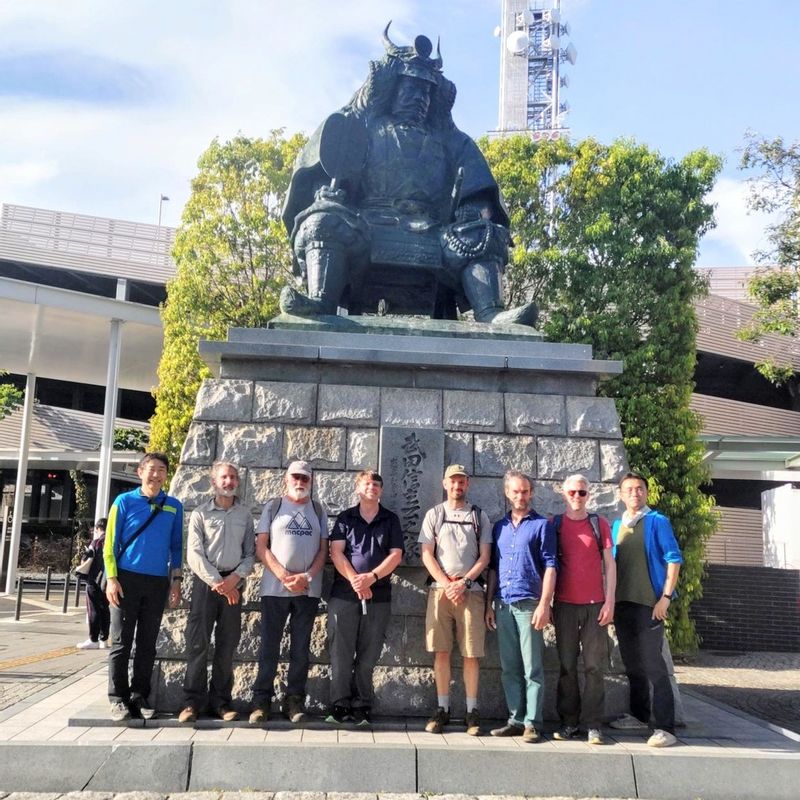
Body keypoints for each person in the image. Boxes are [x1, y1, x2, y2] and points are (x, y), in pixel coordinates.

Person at [279, 24, 537, 327]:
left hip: (434, 231)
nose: (420, 98)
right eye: (412, 89)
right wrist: (327, 193)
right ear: (391, 89)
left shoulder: (453, 141)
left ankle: (490, 312)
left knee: (484, 234)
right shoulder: (360, 127)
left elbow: (481, 195)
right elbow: (328, 163)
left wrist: (472, 211)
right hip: (366, 226)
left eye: (427, 91)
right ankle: (321, 300)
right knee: (322, 220)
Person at [103, 452, 183, 721]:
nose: (157, 474)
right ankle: (118, 698)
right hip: (126, 580)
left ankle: (140, 695)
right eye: (151, 469)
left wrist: (176, 581)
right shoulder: (123, 501)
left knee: (148, 643)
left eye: (162, 469)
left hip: (157, 581)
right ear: (140, 472)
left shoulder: (173, 505)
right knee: (121, 642)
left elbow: (175, 546)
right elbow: (110, 544)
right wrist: (111, 579)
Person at [249, 460, 328, 726]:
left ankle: (294, 700)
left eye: (305, 478)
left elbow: (323, 550)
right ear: (286, 479)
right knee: (269, 648)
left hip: (307, 590)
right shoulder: (273, 507)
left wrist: (305, 577)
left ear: (311, 481)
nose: (300, 482)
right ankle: (261, 701)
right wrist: (284, 577)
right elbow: (262, 547)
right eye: (295, 477)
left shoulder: (318, 509)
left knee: (301, 650)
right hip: (275, 588)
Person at [610, 471, 683, 748]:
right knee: (632, 663)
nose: (634, 493)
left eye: (639, 489)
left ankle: (666, 727)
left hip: (649, 605)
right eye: (629, 489)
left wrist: (666, 597)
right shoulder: (617, 526)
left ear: (646, 493)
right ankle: (639, 715)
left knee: (654, 664)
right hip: (622, 604)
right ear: (621, 494)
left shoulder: (657, 521)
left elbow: (673, 558)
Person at [178, 461, 255, 724]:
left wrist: (233, 580)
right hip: (206, 584)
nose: (229, 481)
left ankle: (221, 702)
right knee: (198, 644)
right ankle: (192, 703)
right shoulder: (200, 514)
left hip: (234, 584)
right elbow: (194, 554)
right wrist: (217, 583)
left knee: (227, 645)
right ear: (214, 482)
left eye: (233, 477)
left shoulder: (245, 515)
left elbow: (250, 555)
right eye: (224, 477)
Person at [326, 470, 404, 725]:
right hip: (344, 594)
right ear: (358, 488)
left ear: (381, 491)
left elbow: (396, 555)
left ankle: (362, 704)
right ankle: (340, 703)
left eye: (377, 484)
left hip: (378, 595)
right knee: (341, 651)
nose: (372, 487)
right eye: (367, 483)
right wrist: (355, 580)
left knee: (369, 654)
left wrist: (371, 577)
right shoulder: (345, 518)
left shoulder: (390, 520)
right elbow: (336, 552)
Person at [419, 464, 491, 736]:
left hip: (471, 592)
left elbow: (485, 556)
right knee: (441, 651)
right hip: (440, 591)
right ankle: (442, 708)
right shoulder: (434, 515)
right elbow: (426, 553)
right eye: (453, 481)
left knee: (471, 653)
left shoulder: (478, 516)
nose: (457, 486)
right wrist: (448, 583)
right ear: (444, 483)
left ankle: (472, 711)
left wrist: (464, 582)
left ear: (467, 484)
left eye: (461, 482)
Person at [485, 470, 557, 743]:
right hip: (503, 603)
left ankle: (532, 723)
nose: (521, 496)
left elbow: (551, 566)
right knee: (509, 667)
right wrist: (490, 604)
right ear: (507, 493)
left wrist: (544, 604)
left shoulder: (542, 526)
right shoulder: (499, 527)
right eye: (516, 491)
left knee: (532, 668)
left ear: (532, 493)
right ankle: (515, 719)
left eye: (525, 491)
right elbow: (493, 568)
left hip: (529, 603)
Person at [551, 474, 616, 745]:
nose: (577, 497)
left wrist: (610, 601)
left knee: (593, 667)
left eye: (582, 492)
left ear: (588, 495)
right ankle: (569, 723)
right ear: (564, 494)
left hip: (594, 607)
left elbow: (610, 565)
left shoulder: (598, 523)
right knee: (567, 666)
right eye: (573, 492)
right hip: (565, 605)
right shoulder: (554, 525)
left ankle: (593, 724)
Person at [76, 518, 110, 650]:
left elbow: (85, 559)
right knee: (105, 609)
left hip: (94, 580)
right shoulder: (113, 541)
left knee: (93, 609)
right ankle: (104, 639)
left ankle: (93, 639)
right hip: (108, 581)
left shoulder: (96, 543)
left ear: (98, 529)